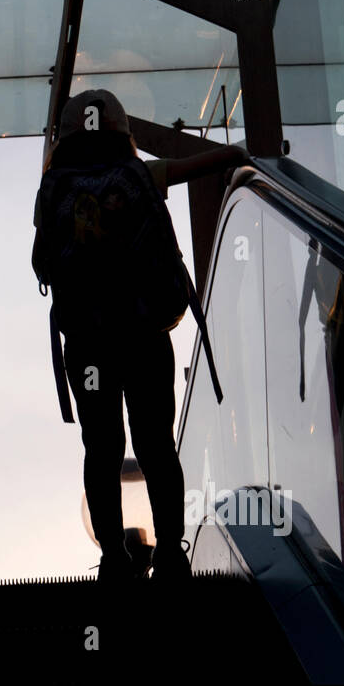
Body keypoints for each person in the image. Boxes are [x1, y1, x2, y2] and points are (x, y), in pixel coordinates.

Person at [32, 90, 245, 582]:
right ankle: (170, 551)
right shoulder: (140, 176)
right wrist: (240, 155)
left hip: (86, 345)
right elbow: (216, 160)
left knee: (101, 447)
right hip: (145, 335)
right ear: (122, 133)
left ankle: (112, 558)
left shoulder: (53, 189)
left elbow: (43, 261)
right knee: (155, 444)